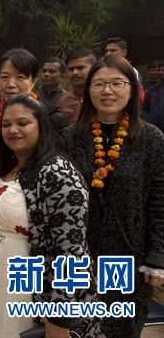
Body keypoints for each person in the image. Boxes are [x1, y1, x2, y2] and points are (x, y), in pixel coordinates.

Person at [0, 94, 103, 337]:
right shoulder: (7, 167)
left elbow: (71, 252)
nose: (13, 130)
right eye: (7, 124)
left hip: (32, 291)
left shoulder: (59, 173)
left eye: (23, 123)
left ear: (41, 125)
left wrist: (59, 316)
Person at [63, 55, 164, 337]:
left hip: (130, 254)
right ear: (89, 90)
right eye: (99, 84)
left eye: (116, 83)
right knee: (80, 328)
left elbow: (160, 201)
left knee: (122, 328)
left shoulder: (152, 139)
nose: (107, 91)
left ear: (131, 89)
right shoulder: (70, 138)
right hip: (80, 255)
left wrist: (157, 257)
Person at [0, 49, 67, 139]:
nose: (11, 85)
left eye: (20, 77)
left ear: (33, 81)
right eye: (4, 77)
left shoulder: (51, 117)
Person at [56, 48, 97, 125]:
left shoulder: (101, 98)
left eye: (80, 68)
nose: (75, 73)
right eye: (71, 69)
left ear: (94, 68)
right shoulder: (63, 102)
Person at [104, 36, 144, 103]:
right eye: (107, 51)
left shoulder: (132, 72)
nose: (108, 53)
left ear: (124, 52)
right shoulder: (102, 70)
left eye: (113, 50)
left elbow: (138, 97)